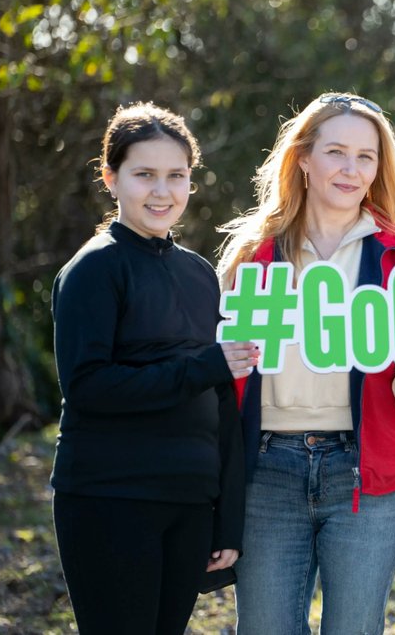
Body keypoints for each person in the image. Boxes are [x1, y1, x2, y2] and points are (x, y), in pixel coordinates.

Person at [217, 92, 395, 635]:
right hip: (267, 473)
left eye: (366, 156)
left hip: (366, 473)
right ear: (303, 159)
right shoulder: (252, 254)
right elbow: (224, 376)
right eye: (335, 152)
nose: (351, 170)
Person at [51, 102, 256, 635]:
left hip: (188, 501)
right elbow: (89, 386)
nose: (162, 192)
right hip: (110, 497)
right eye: (144, 175)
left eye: (176, 176)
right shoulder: (93, 269)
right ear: (111, 177)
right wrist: (203, 366)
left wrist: (226, 516)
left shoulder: (200, 274)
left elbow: (220, 405)